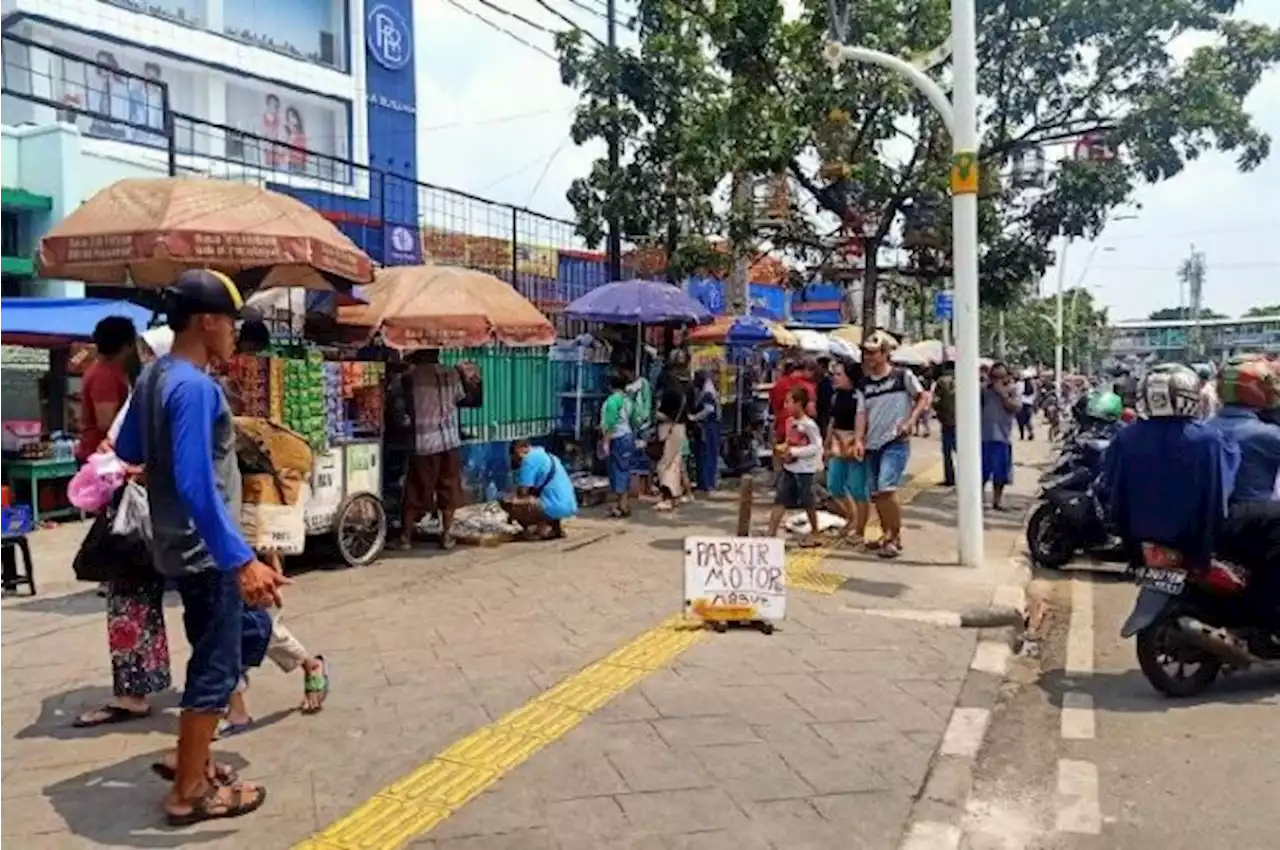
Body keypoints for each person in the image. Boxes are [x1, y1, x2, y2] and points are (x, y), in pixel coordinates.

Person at [114, 270, 287, 825]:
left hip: (180, 546)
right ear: (208, 321)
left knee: (247, 634)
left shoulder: (155, 377)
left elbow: (129, 445)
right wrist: (240, 559)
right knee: (215, 665)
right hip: (208, 552)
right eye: (232, 322)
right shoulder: (193, 386)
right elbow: (193, 483)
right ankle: (189, 791)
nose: (236, 333)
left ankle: (193, 753)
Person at [73, 327, 175, 729]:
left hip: (149, 513)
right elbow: (118, 442)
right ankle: (136, 688)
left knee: (132, 600)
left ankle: (222, 692)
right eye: (144, 353)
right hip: (140, 509)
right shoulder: (148, 394)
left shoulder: (171, 396)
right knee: (135, 600)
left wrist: (132, 468)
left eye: (153, 353)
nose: (147, 361)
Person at [1105, 364, 1238, 569]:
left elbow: (1111, 484)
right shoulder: (1210, 440)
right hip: (1194, 541)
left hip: (1137, 540)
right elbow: (1223, 488)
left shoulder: (1126, 437)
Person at [855, 331, 928, 558]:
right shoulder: (864, 385)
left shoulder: (902, 376)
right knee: (877, 493)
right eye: (866, 353)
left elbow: (923, 397)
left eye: (873, 353)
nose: (869, 357)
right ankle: (887, 532)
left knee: (886, 488)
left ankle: (894, 536)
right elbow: (861, 414)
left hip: (895, 441)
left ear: (885, 353)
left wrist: (911, 420)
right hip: (872, 444)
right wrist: (858, 439)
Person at [400, 350, 480, 551]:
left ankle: (406, 537)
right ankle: (446, 536)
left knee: (415, 489)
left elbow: (402, 405)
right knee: (449, 489)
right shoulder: (452, 373)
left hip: (425, 441)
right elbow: (462, 397)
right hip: (450, 440)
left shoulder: (411, 377)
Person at [766, 387, 823, 546]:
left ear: (799, 403)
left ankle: (815, 532)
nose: (786, 406)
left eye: (789, 402)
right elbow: (790, 441)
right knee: (780, 499)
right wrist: (782, 448)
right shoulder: (790, 422)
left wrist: (795, 452)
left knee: (807, 501)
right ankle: (771, 533)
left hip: (805, 469)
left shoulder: (809, 425)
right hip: (789, 468)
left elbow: (816, 447)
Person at [76, 316, 137, 463]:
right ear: (127, 346)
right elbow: (105, 422)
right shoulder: (104, 375)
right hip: (100, 458)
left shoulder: (109, 371)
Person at [825, 360, 869, 542]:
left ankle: (860, 529)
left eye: (839, 374)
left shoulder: (860, 396)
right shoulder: (836, 396)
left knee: (858, 487)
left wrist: (859, 441)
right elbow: (832, 420)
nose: (835, 378)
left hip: (854, 443)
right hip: (837, 442)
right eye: (834, 374)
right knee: (834, 485)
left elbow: (864, 420)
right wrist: (827, 443)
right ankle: (851, 517)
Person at [502, 440, 577, 539]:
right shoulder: (549, 456)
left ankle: (536, 530)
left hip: (553, 506)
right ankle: (555, 529)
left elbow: (523, 493)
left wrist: (509, 510)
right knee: (544, 495)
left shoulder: (528, 460)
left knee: (512, 504)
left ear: (519, 450)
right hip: (570, 505)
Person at [653, 354, 692, 511]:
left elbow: (663, 414)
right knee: (675, 463)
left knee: (665, 465)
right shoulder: (686, 389)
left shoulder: (669, 393)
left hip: (669, 429)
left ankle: (668, 497)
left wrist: (656, 412)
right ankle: (675, 496)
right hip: (681, 428)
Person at [982, 362, 1021, 511]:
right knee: (982, 471)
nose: (996, 380)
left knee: (1001, 473)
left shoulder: (1012, 391)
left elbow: (1016, 408)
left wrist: (1003, 394)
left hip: (1002, 436)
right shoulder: (983, 390)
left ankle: (997, 501)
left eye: (1000, 377)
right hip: (983, 437)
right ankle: (978, 500)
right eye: (994, 377)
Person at [600, 372, 635, 518]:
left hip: (617, 438)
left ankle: (619, 505)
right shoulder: (627, 400)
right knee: (624, 469)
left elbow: (610, 423)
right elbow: (635, 418)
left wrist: (605, 442)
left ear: (610, 385)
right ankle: (623, 504)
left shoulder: (612, 401)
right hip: (627, 436)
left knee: (616, 470)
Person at [690, 367, 723, 493]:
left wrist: (694, 418)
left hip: (709, 426)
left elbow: (709, 410)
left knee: (707, 454)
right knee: (705, 454)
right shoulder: (707, 391)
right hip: (710, 426)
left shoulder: (707, 393)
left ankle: (707, 483)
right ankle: (705, 483)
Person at [933, 358, 957, 486]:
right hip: (963, 423)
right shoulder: (966, 379)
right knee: (962, 451)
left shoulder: (942, 381)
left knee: (947, 452)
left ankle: (950, 478)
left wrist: (939, 412)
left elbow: (935, 401)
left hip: (947, 421)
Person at [1017, 376, 1037, 440]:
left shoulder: (1019, 384)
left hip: (1021, 403)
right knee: (1028, 420)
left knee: (1020, 420)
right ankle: (1030, 432)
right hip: (1029, 404)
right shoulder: (1033, 385)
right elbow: (1035, 395)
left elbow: (1017, 394)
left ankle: (1022, 435)